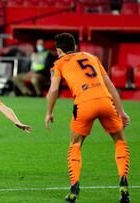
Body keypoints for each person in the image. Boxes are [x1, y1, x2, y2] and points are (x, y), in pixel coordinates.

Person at [45, 33, 130, 203]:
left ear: (59, 50)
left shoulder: (59, 63)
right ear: (74, 47)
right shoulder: (92, 57)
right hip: (106, 101)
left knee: (75, 144)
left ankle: (74, 186)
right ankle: (123, 184)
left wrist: (49, 112)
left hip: (84, 104)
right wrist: (121, 111)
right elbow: (111, 85)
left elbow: (54, 90)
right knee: (120, 141)